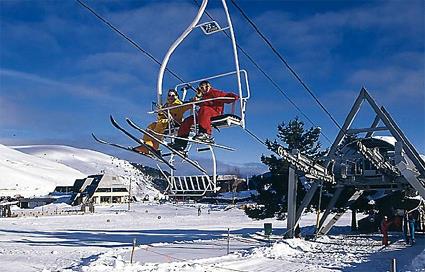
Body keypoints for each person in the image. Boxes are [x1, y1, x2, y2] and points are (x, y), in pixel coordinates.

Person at [170, 80, 239, 150]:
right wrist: (195, 101)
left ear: (210, 86)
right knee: (188, 120)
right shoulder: (202, 97)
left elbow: (225, 96)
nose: (204, 89)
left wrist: (233, 97)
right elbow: (198, 103)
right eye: (202, 88)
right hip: (203, 116)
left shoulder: (215, 93)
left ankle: (205, 133)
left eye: (206, 87)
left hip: (215, 113)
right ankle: (180, 143)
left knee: (204, 109)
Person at [134, 89, 191, 155]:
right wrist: (160, 113)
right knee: (152, 125)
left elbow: (189, 105)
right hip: (166, 122)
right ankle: (147, 143)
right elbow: (160, 117)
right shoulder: (166, 105)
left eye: (173, 95)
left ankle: (154, 146)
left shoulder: (180, 105)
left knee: (161, 123)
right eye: (169, 95)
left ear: (176, 96)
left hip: (174, 123)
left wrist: (196, 100)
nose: (171, 97)